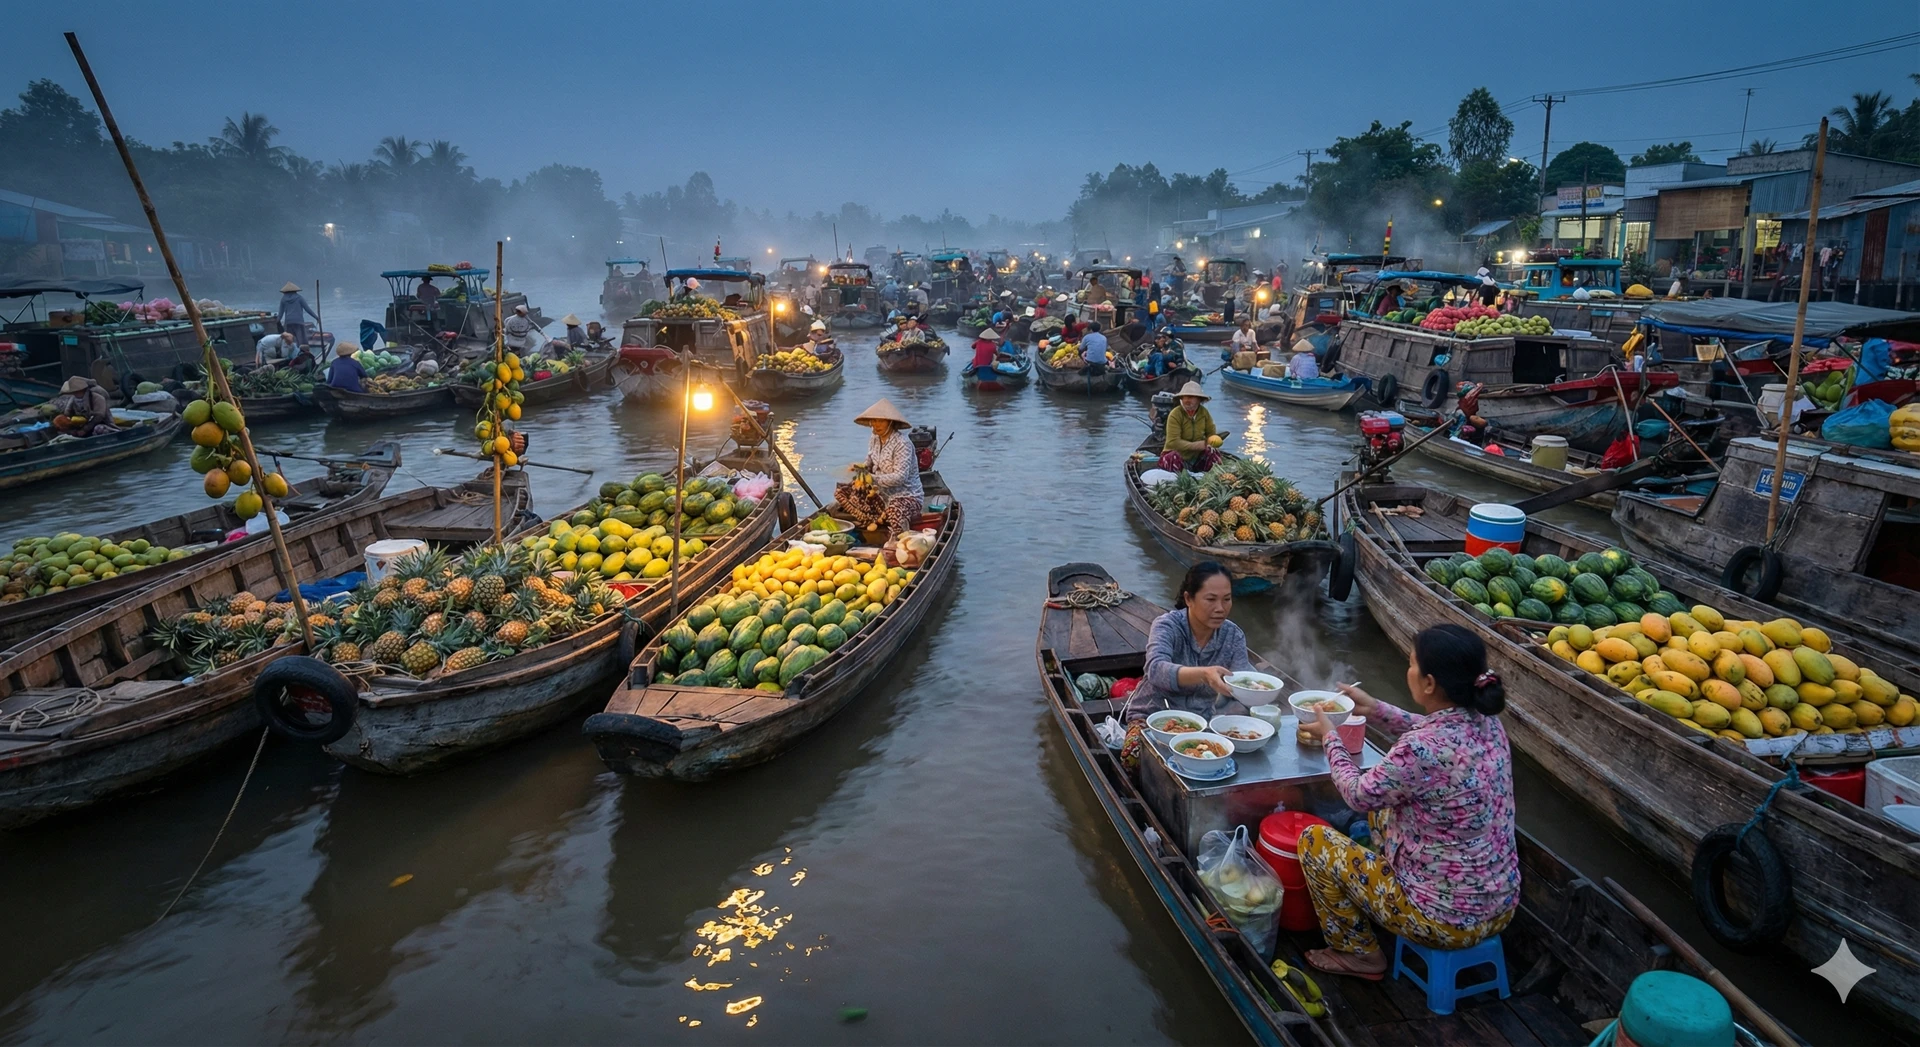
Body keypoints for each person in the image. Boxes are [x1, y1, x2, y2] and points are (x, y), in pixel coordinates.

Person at [1294, 624, 1519, 980]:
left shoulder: (1420, 750)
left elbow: (1357, 794)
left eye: (1412, 664)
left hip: (1441, 920)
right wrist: (1376, 710)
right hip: (1501, 906)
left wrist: (1330, 738)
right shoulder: (1489, 724)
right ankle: (1384, 884)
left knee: (1314, 841)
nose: (1408, 670)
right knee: (1388, 808)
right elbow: (1428, 731)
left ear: (1429, 683)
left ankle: (1360, 955)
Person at [1118, 562, 1255, 762]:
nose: (1220, 608)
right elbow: (1155, 669)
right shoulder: (1168, 626)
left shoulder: (1232, 635)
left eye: (1227, 599)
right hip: (1153, 715)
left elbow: (1243, 680)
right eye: (1211, 599)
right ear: (1189, 599)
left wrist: (1254, 697)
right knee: (1133, 755)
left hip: (1203, 721)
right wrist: (1204, 674)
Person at [852, 399, 924, 536]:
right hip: (881, 494)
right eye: (874, 421)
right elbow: (870, 461)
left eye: (881, 421)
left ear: (891, 422)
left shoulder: (902, 443)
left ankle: (900, 539)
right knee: (845, 492)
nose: (876, 425)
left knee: (895, 511)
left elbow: (900, 477)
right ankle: (876, 519)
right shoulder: (874, 437)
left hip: (906, 496)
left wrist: (872, 479)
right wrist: (861, 468)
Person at [1159, 381, 1222, 472]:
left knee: (1213, 453)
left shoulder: (1204, 413)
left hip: (1195, 458)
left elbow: (1211, 435)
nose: (1187, 400)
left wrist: (1211, 443)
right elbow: (1173, 442)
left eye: (1191, 397)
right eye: (1185, 397)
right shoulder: (1175, 414)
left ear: (1199, 399)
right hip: (1176, 456)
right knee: (1173, 456)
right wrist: (1197, 445)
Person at [47, 376, 112, 434]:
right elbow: (68, 412)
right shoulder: (74, 399)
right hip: (82, 425)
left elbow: (99, 416)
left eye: (77, 392)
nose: (75, 394)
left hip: (100, 423)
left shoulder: (97, 398)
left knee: (99, 429)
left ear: (82, 390)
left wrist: (85, 429)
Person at [278, 281, 320, 347]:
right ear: (295, 290)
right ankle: (303, 353)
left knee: (290, 341)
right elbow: (307, 309)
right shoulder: (299, 298)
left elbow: (280, 313)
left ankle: (291, 354)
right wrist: (316, 317)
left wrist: (277, 322)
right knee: (302, 341)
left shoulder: (283, 299)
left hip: (288, 322)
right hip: (298, 322)